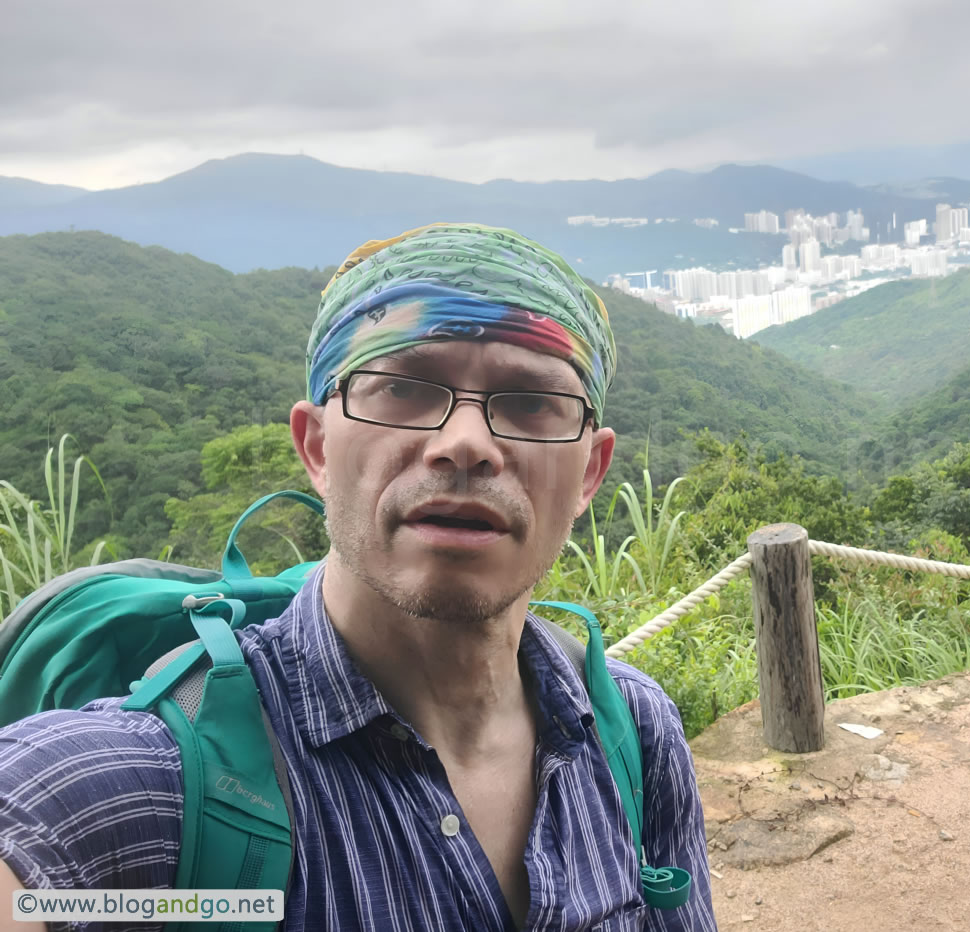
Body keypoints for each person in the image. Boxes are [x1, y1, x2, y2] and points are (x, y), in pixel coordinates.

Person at [0, 223, 715, 931]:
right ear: (316, 446)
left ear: (589, 471)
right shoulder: (152, 794)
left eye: (530, 403)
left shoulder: (632, 731)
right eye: (403, 389)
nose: (465, 444)